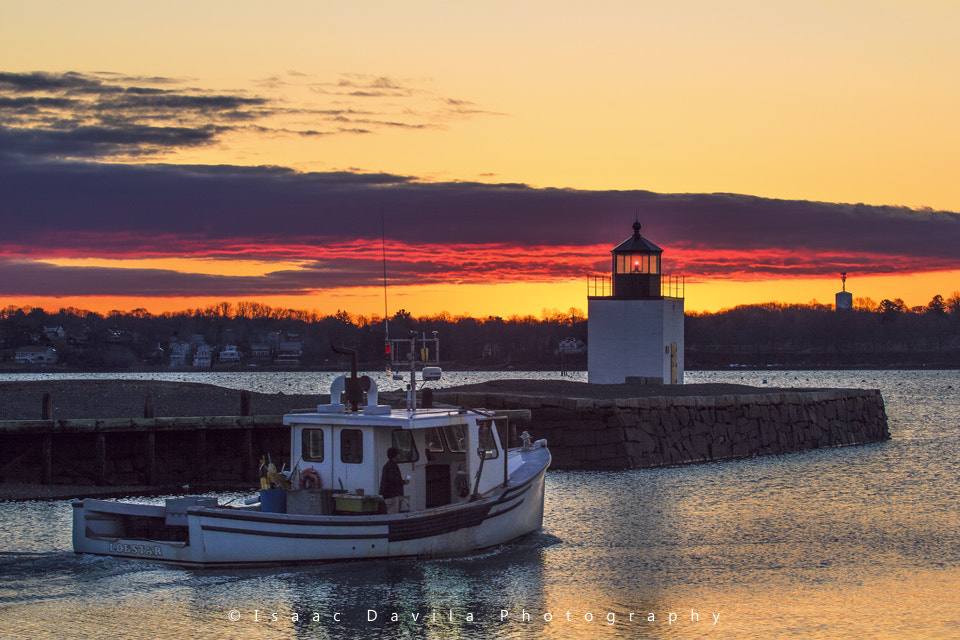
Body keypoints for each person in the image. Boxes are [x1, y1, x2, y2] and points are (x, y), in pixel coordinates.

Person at [379, 447, 408, 514]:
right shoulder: (392, 466)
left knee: (391, 512)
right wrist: (404, 482)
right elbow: (393, 480)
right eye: (398, 454)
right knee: (393, 513)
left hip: (388, 495)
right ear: (395, 455)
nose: (399, 456)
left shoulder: (388, 465)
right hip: (392, 495)